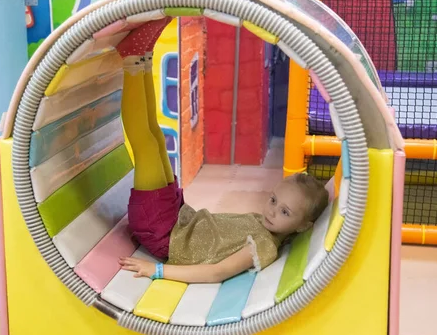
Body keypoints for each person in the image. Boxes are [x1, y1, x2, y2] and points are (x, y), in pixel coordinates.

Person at [117, 29, 328, 284]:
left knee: (147, 146)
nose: (272, 211)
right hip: (178, 216)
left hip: (163, 233)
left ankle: (131, 61)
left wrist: (157, 271)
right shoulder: (263, 224)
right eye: (273, 200)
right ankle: (143, 58)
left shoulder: (265, 245)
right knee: (157, 139)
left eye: (285, 212)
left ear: (303, 226)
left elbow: (217, 272)